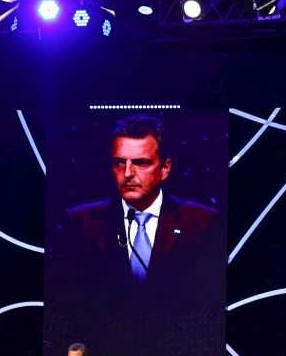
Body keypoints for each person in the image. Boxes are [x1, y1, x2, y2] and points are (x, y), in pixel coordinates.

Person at [55, 114, 221, 291]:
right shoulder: (81, 222)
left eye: (140, 163)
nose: (127, 173)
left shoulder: (202, 222)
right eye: (119, 163)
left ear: (165, 168)